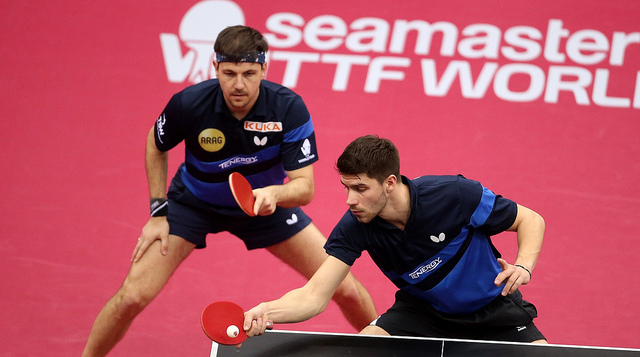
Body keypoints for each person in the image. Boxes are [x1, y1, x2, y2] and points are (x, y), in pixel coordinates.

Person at [82, 26, 378, 356]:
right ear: (216, 69)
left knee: (346, 288)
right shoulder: (190, 103)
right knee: (132, 296)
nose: (239, 84)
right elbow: (156, 143)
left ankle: (390, 350)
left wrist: (273, 195)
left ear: (264, 69)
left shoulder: (288, 109)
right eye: (230, 73)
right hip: (193, 203)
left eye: (249, 73)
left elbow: (304, 187)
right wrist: (157, 210)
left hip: (262, 207)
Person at [244, 134, 547, 343]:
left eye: (360, 189)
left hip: (493, 311)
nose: (350, 200)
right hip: (424, 314)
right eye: (346, 187)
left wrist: (524, 265)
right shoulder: (356, 225)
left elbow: (530, 220)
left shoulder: (453, 195)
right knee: (363, 348)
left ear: (390, 182)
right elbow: (314, 296)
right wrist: (265, 311)